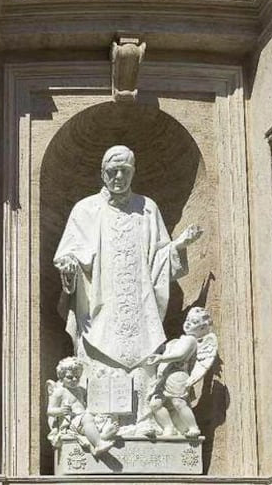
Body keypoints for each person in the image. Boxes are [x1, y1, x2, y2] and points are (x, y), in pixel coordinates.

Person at [53, 145, 203, 371]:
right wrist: (69, 266)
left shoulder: (148, 208)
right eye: (113, 171)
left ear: (134, 172)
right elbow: (68, 254)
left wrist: (179, 245)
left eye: (125, 170)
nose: (119, 177)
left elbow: (159, 258)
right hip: (98, 309)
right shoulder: (85, 209)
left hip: (140, 311)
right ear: (103, 173)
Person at [143, 307, 217, 438]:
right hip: (166, 376)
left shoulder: (190, 340)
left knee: (179, 403)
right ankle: (169, 427)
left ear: (202, 328)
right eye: (188, 320)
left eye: (194, 322)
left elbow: (180, 355)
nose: (188, 323)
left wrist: (161, 358)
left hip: (177, 376)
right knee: (155, 404)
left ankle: (193, 428)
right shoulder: (178, 340)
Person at [46, 356, 117, 456]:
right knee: (87, 418)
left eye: (77, 377)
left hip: (84, 420)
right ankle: (99, 444)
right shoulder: (60, 392)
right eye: (70, 377)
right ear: (61, 377)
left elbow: (91, 402)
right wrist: (61, 410)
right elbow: (49, 410)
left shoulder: (81, 390)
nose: (74, 380)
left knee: (104, 417)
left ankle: (101, 437)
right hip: (71, 421)